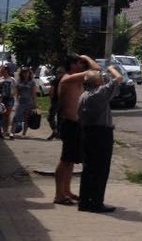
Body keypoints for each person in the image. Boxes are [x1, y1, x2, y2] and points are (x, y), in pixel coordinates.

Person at [54, 54, 100, 206]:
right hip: (69, 123)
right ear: (72, 64)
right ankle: (59, 195)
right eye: (80, 63)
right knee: (65, 160)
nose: (83, 65)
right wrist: (87, 57)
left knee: (71, 161)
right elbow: (96, 70)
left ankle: (66, 190)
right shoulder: (68, 79)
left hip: (77, 124)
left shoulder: (76, 79)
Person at [77, 66, 123, 213]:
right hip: (101, 134)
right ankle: (96, 202)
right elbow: (118, 79)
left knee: (88, 168)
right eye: (99, 77)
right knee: (101, 169)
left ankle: (84, 201)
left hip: (87, 132)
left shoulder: (84, 95)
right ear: (96, 82)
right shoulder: (100, 93)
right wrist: (111, 69)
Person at [12, 67, 38, 138]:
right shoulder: (19, 81)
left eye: (27, 72)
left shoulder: (32, 82)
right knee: (16, 117)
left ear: (29, 73)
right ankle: (12, 133)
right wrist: (16, 100)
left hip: (29, 102)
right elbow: (16, 92)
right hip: (21, 102)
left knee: (26, 118)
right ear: (21, 73)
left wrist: (35, 104)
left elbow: (34, 94)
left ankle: (23, 134)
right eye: (24, 72)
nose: (25, 74)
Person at [0, 65, 14, 139]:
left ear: (7, 71)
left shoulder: (12, 79)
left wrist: (13, 94)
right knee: (2, 115)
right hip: (2, 99)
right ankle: (2, 130)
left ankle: (7, 130)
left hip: (10, 99)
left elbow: (15, 88)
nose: (3, 71)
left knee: (7, 114)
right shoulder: (1, 79)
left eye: (5, 70)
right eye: (2, 70)